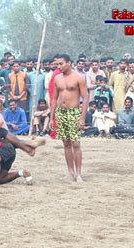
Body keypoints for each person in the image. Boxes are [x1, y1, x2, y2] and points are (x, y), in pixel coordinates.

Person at [49, 54, 88, 182]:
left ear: (69, 63)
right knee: (65, 142)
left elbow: (85, 97)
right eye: (57, 64)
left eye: (61, 64)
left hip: (74, 112)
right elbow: (54, 98)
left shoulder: (79, 77)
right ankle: (70, 172)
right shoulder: (57, 78)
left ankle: (79, 174)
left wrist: (82, 118)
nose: (58, 66)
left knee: (75, 143)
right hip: (61, 112)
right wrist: (51, 117)